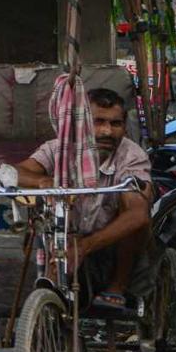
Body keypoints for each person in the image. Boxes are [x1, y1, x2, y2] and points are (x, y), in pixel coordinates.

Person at [10, 87, 153, 311]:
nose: (107, 131)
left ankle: (116, 288)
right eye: (98, 122)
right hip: (64, 238)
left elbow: (137, 214)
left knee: (136, 224)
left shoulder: (131, 156)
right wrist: (43, 182)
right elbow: (16, 172)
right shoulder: (59, 148)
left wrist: (85, 246)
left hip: (109, 248)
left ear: (125, 126)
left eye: (115, 124)